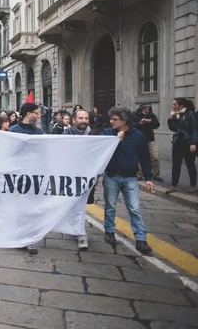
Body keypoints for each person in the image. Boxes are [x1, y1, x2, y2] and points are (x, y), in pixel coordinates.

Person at [102, 107, 154, 254]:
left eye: (114, 119)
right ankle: (109, 231)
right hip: (112, 176)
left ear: (124, 120)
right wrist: (116, 140)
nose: (111, 121)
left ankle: (141, 238)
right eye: (111, 118)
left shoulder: (138, 136)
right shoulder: (108, 133)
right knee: (110, 205)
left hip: (131, 177)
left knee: (134, 208)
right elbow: (102, 153)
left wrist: (148, 177)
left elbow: (145, 157)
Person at [8, 103, 43, 254]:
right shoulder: (12, 131)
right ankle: (18, 236)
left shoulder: (39, 132)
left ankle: (28, 239)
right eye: (36, 113)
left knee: (31, 208)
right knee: (17, 208)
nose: (38, 115)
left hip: (33, 175)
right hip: (16, 175)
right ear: (29, 114)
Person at [62, 109, 98, 251]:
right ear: (74, 120)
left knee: (82, 204)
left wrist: (96, 175)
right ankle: (80, 232)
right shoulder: (66, 134)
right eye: (81, 118)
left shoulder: (94, 135)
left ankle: (79, 230)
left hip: (88, 175)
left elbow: (98, 156)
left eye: (86, 118)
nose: (83, 121)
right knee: (73, 203)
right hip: (71, 176)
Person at [166, 98, 197, 194]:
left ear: (181, 105)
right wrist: (171, 118)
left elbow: (194, 129)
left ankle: (193, 185)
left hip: (187, 142)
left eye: (175, 105)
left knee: (190, 164)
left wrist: (193, 143)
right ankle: (173, 185)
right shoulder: (176, 114)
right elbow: (173, 128)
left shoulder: (190, 113)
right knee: (176, 164)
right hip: (178, 142)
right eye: (173, 104)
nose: (173, 106)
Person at [132, 103, 162, 182]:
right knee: (138, 157)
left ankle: (156, 174)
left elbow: (157, 124)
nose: (146, 110)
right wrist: (139, 123)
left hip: (149, 138)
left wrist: (150, 122)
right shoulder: (134, 114)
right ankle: (139, 174)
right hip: (138, 139)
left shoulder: (151, 115)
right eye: (145, 108)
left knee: (155, 156)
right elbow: (130, 125)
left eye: (148, 109)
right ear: (141, 108)